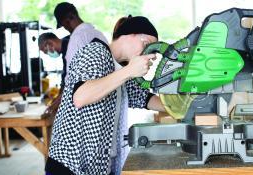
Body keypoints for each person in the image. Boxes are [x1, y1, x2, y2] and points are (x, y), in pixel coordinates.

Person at [45, 16, 165, 175]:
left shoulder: (120, 69)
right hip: (70, 165)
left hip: (97, 166)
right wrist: (129, 71)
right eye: (146, 44)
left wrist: (181, 106)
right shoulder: (95, 51)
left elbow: (144, 98)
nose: (148, 52)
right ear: (129, 34)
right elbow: (80, 96)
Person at [54, 2, 108, 79]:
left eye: (63, 26)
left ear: (67, 21)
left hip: (88, 88)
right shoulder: (98, 34)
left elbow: (71, 76)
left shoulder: (76, 40)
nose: (65, 28)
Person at [38, 33, 70, 117]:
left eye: (45, 51)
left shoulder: (70, 47)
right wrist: (58, 97)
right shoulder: (65, 49)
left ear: (50, 44)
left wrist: (57, 102)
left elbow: (69, 80)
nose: (47, 54)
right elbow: (65, 76)